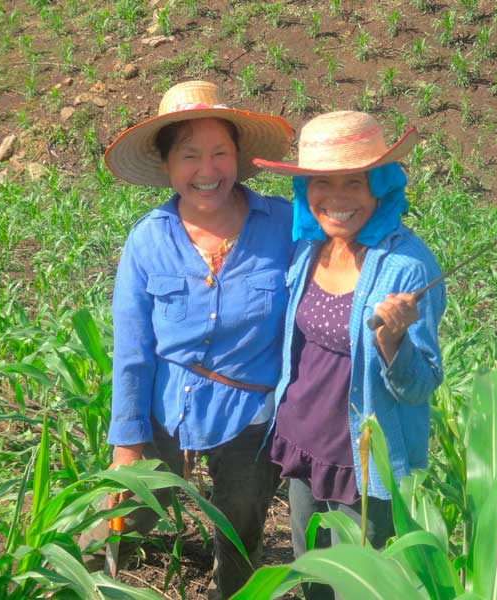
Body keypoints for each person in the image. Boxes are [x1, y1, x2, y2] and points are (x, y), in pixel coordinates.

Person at [82, 80, 294, 599]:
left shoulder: (285, 225)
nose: (207, 170)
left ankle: (232, 591)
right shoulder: (148, 239)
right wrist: (127, 443)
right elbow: (133, 350)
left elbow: (343, 255)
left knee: (240, 524)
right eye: (190, 155)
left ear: (238, 158)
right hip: (165, 404)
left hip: (250, 410)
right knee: (123, 514)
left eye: (220, 153)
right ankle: (78, 579)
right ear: (166, 165)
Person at [253, 111, 446, 599]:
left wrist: (393, 340)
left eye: (354, 183)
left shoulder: (407, 266)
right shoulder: (308, 249)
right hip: (302, 442)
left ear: (380, 187)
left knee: (361, 585)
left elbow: (421, 384)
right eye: (322, 183)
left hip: (362, 463)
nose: (336, 199)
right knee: (312, 572)